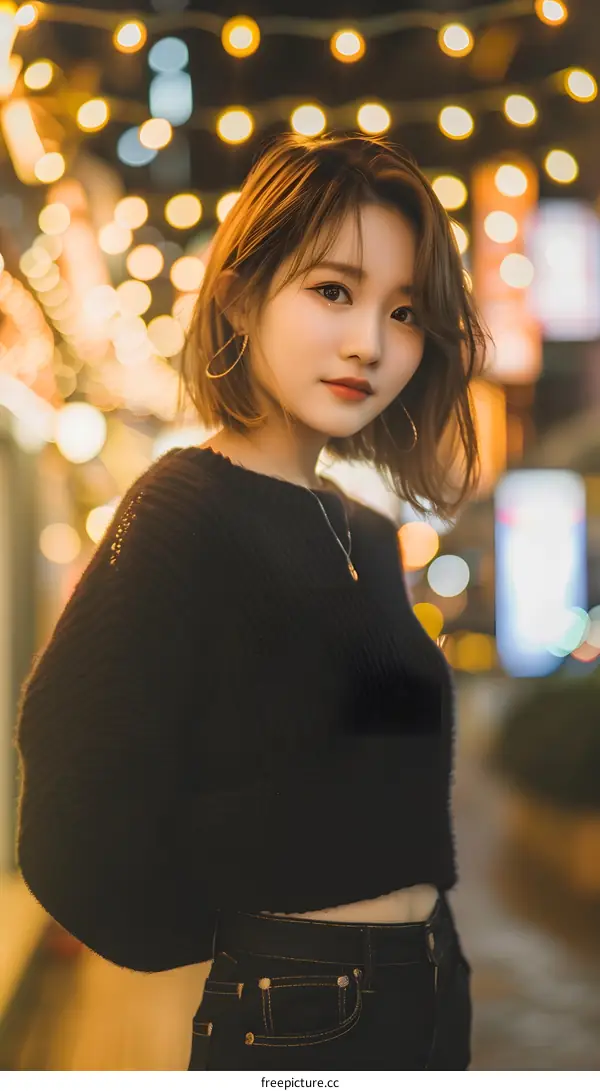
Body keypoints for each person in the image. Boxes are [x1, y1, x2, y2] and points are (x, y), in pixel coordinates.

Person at [14, 132, 486, 1071]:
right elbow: (68, 771)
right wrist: (240, 943)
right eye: (333, 290)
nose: (370, 342)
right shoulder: (185, 506)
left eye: (403, 311)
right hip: (301, 1007)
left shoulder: (363, 529)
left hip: (430, 979)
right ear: (239, 292)